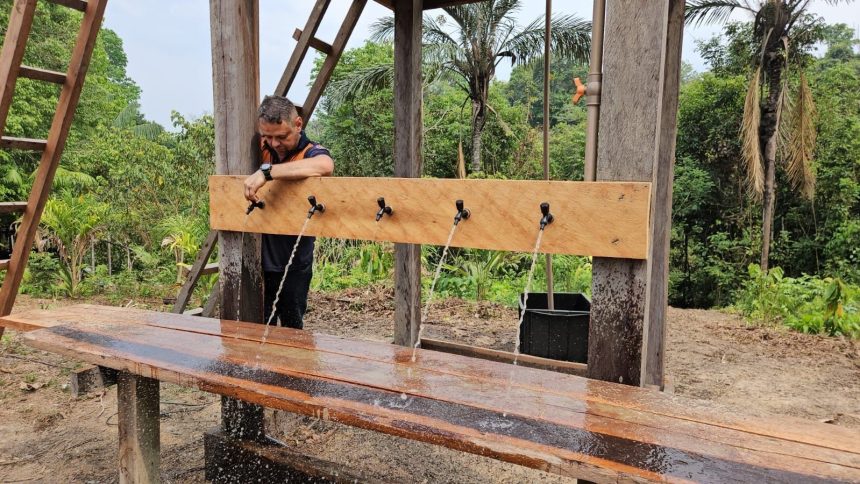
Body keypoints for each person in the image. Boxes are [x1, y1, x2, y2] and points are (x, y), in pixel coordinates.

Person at [243, 95, 334, 329]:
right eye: (268, 136)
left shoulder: (311, 151)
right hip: (257, 259)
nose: (274, 144)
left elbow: (325, 166)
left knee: (293, 329)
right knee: (259, 327)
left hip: (295, 261)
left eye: (281, 137)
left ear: (298, 125)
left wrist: (267, 172)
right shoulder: (260, 148)